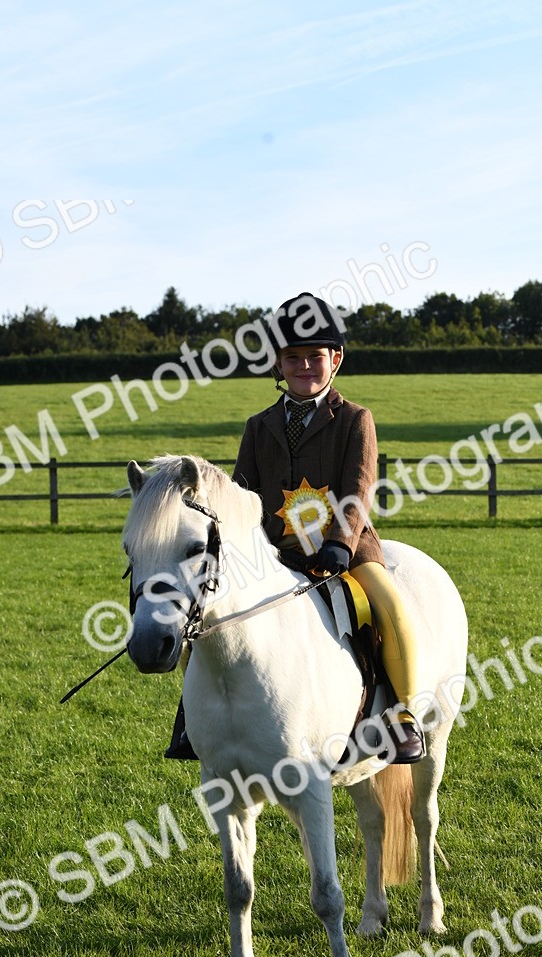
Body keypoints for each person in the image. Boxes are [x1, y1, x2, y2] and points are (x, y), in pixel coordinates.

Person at [165, 291, 424, 764]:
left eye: (315, 357)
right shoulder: (258, 426)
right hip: (273, 553)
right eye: (293, 357)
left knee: (387, 603)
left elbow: (359, 488)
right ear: (278, 364)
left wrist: (340, 543)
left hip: (343, 550)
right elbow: (241, 497)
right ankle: (192, 716)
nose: (304, 366)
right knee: (204, 614)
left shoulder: (355, 420)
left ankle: (404, 715)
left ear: (335, 360)